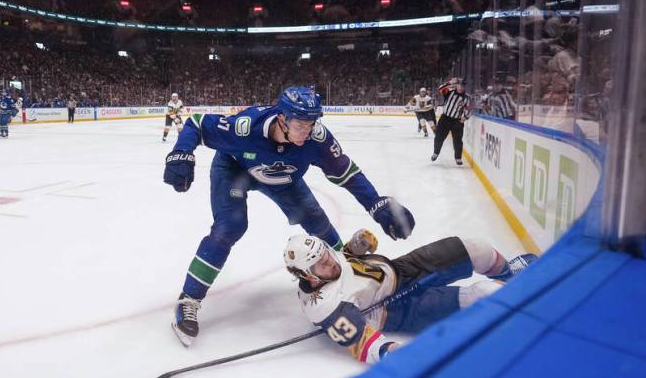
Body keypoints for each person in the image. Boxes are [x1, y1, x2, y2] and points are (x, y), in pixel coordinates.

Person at [163, 86, 416, 346]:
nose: (307, 133)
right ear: (282, 119)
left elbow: (347, 174)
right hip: (234, 170)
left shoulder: (317, 138)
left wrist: (376, 203)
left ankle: (348, 267)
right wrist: (181, 153)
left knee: (318, 222)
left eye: (312, 124)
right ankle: (188, 299)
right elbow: (196, 123)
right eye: (300, 126)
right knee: (230, 226)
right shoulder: (246, 127)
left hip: (282, 179)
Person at [283, 232, 536, 363]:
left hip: (400, 269)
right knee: (484, 293)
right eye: (322, 265)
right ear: (307, 275)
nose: (331, 262)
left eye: (327, 253)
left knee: (476, 247)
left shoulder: (321, 264)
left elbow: (343, 263)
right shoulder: (325, 306)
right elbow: (360, 342)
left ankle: (509, 273)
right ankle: (527, 301)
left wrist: (352, 249)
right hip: (399, 309)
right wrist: (390, 352)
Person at [433, 78, 472, 165]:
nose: (461, 87)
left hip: (457, 121)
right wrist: (449, 83)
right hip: (445, 119)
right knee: (439, 137)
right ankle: (436, 152)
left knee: (458, 140)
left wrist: (465, 118)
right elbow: (440, 89)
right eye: (459, 85)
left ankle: (458, 158)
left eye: (463, 86)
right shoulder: (449, 92)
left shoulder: (467, 98)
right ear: (456, 85)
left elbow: (469, 109)